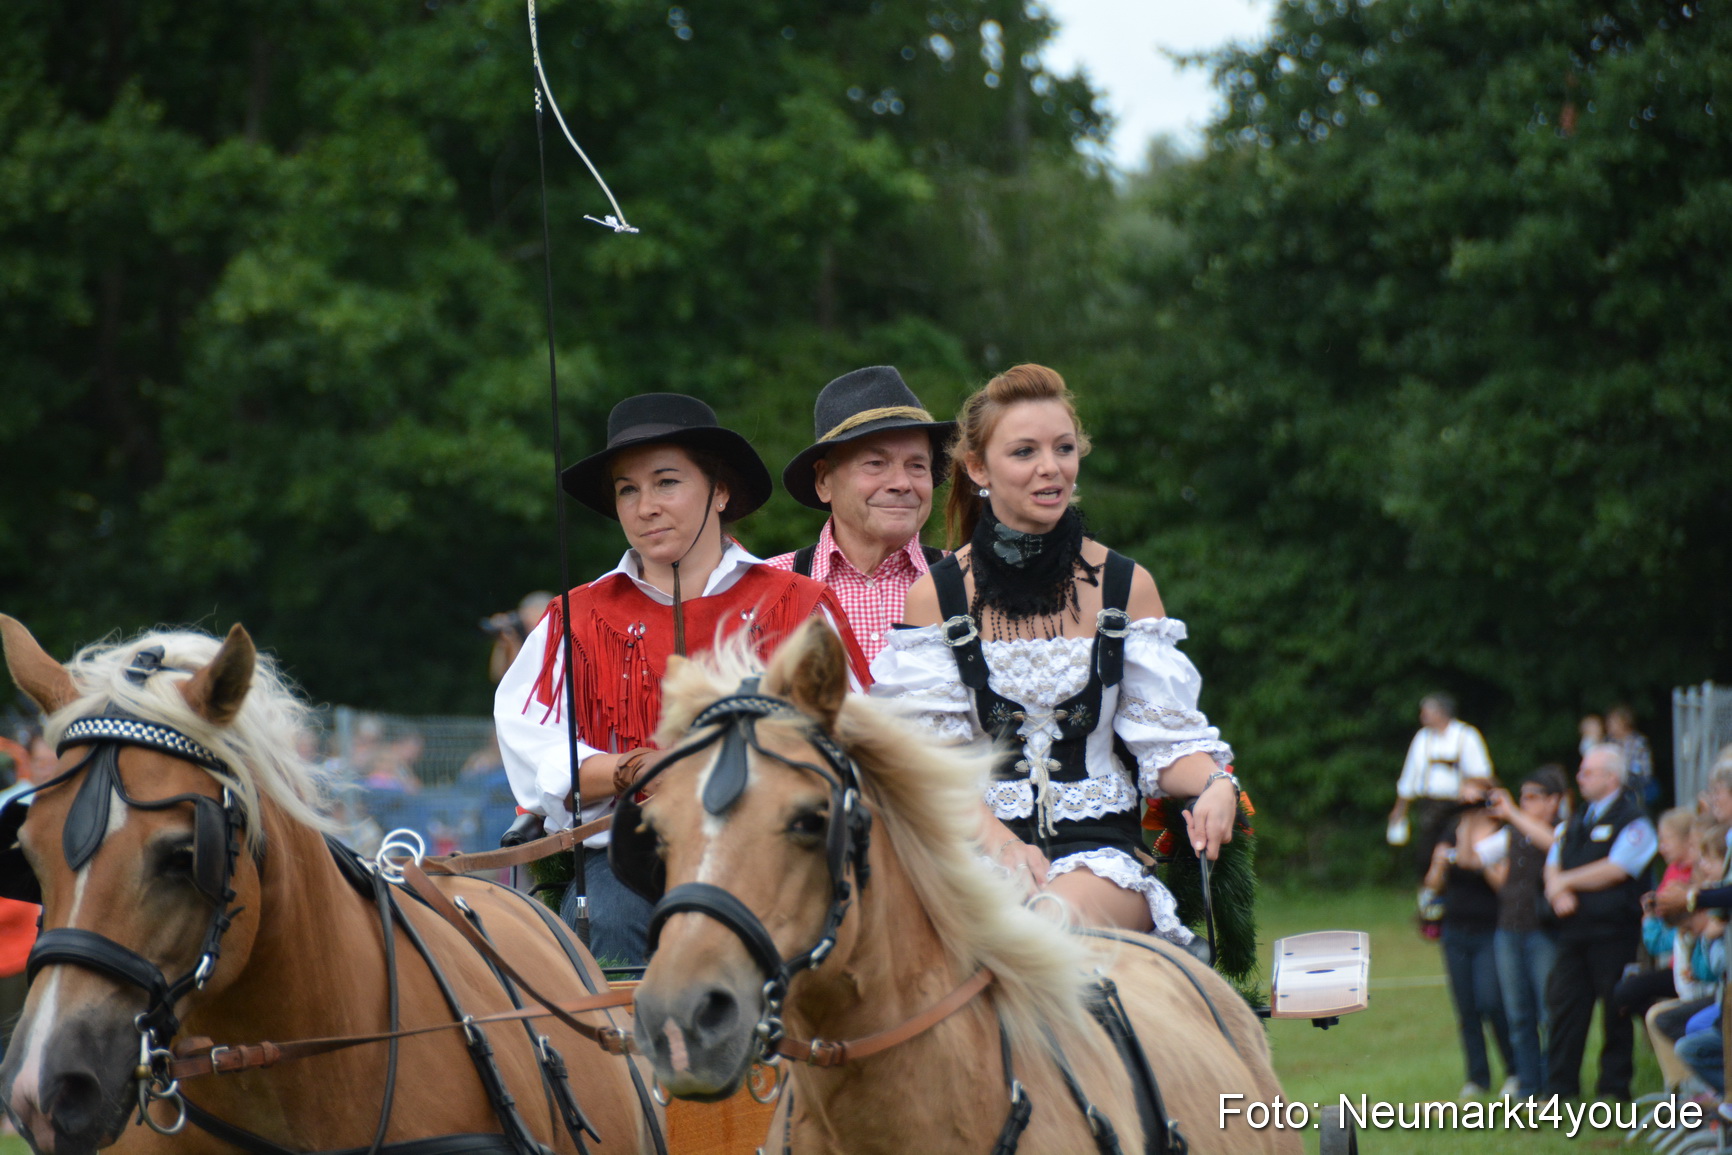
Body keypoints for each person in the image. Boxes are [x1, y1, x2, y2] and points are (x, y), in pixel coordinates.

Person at [868, 364, 1238, 949]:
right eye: (1025, 451)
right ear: (978, 469)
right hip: (977, 856)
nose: (1051, 467)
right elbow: (930, 769)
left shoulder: (1125, 585)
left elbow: (1166, 744)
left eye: (1063, 448)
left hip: (1101, 860)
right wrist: (1003, 847)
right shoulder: (937, 595)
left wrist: (1216, 782)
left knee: (1046, 922)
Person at [495, 393, 869, 965]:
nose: (645, 507)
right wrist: (634, 769)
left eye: (666, 482)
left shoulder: (797, 605)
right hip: (628, 861)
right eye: (627, 490)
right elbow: (535, 753)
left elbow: (856, 743)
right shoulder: (575, 618)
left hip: (775, 854)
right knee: (610, 921)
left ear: (719, 492)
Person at [767, 366, 955, 662]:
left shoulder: (970, 583)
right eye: (876, 463)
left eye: (917, 465)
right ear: (824, 480)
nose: (901, 483)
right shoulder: (767, 590)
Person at [1541, 743, 1658, 1101]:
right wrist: (1556, 892)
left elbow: (1618, 868)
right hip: (1573, 932)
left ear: (1611, 778)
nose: (1580, 778)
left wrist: (1566, 881)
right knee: (1565, 1007)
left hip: (1614, 932)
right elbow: (1553, 859)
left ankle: (1613, 1087)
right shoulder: (1576, 820)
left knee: (1615, 1010)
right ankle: (1560, 1088)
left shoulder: (1634, 821)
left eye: (1588, 772)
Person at [1425, 776, 1518, 1099]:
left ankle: (1515, 1070)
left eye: (1473, 799)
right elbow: (1432, 884)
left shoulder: (1503, 834)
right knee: (1466, 1008)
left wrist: (1480, 857)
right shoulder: (1452, 831)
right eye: (1462, 799)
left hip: (1491, 929)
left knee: (1492, 1001)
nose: (1466, 806)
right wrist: (1439, 866)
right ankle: (1477, 1077)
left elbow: (1504, 886)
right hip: (1455, 929)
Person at [1482, 764, 1568, 1099]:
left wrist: (1513, 814)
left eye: (1532, 797)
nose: (1524, 803)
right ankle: (1528, 1086)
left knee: (1549, 1012)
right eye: (1523, 797)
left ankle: (1553, 1086)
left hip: (1542, 931)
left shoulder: (1564, 829)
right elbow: (1478, 856)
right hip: (1508, 928)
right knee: (1518, 1014)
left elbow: (1555, 844)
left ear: (1553, 800)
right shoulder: (1514, 831)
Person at [1389, 693, 1493, 880]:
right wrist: (1400, 809)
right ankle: (1429, 892)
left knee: (1454, 852)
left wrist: (1466, 783)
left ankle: (1453, 892)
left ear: (1441, 712)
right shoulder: (1422, 738)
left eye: (1426, 712)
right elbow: (1409, 776)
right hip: (1430, 805)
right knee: (1426, 854)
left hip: (1459, 806)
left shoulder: (1466, 736)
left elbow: (1484, 776)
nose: (1422, 716)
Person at [485, 591, 555, 684]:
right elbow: (498, 675)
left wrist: (514, 644)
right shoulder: (525, 640)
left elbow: (523, 675)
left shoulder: (557, 643)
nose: (527, 626)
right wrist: (504, 642)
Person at [1606, 704, 1655, 807]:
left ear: (1624, 722)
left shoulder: (1638, 743)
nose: (1608, 725)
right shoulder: (1608, 742)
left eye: (1612, 722)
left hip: (1633, 786)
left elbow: (1643, 772)